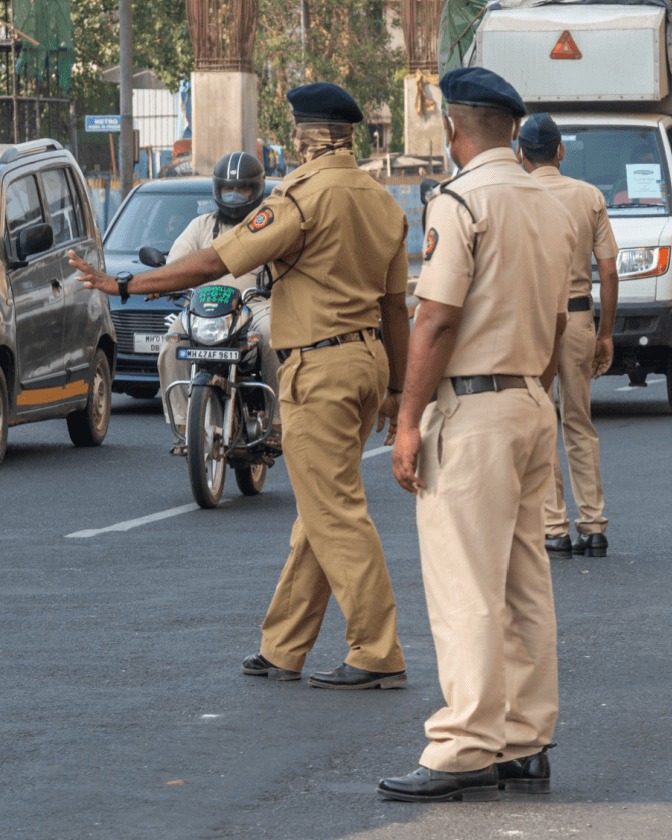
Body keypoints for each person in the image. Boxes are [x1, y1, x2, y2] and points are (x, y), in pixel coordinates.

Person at [71, 81, 412, 689]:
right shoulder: (382, 201)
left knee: (335, 513)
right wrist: (398, 390)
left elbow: (216, 261)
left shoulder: (302, 198)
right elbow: (395, 309)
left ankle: (377, 651)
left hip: (320, 367)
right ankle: (284, 647)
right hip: (367, 364)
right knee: (319, 509)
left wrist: (122, 287)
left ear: (309, 137)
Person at [378, 67, 579, 804]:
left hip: (475, 408)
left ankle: (463, 744)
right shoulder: (550, 202)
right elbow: (559, 319)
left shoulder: (461, 200)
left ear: (453, 128)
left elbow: (435, 317)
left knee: (466, 583)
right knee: (526, 583)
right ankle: (525, 739)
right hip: (530, 399)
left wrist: (406, 421)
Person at [516, 112, 620, 560]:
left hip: (532, 321)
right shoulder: (588, 196)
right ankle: (593, 525)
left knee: (540, 420)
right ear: (561, 151)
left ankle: (553, 525)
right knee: (579, 423)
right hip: (578, 319)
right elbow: (610, 270)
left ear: (521, 154)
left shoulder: (515, 194)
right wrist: (606, 333)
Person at [156, 152, 275, 453]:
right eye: (227, 190)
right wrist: (165, 280)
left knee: (276, 338)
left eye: (243, 189)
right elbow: (177, 264)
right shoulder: (200, 226)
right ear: (217, 190)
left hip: (255, 305)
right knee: (170, 344)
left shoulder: (269, 224)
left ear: (257, 189)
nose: (235, 197)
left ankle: (278, 424)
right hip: (204, 309)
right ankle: (184, 427)